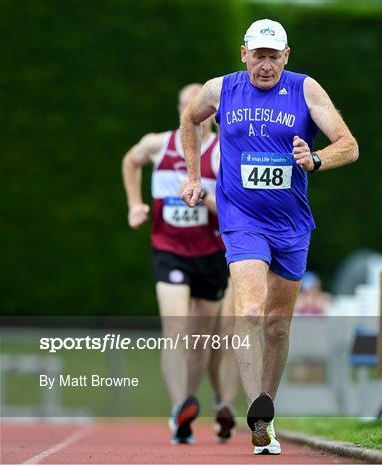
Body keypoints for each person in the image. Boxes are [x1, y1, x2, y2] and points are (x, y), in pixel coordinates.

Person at [180, 19, 358, 455]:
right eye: (258, 55)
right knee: (252, 310)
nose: (265, 65)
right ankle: (256, 418)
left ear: (286, 56)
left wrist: (314, 159)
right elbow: (190, 120)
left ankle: (267, 409)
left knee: (278, 325)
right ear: (244, 54)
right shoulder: (221, 89)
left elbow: (349, 145)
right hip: (241, 219)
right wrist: (193, 176)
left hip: (292, 224)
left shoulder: (304, 89)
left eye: (272, 56)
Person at [121, 83, 239, 444]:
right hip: (168, 249)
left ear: (212, 113)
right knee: (175, 329)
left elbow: (236, 210)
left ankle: (199, 403)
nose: (192, 113)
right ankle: (180, 407)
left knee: (201, 340)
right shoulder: (160, 145)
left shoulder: (223, 154)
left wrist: (203, 198)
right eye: (185, 106)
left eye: (198, 107)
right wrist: (135, 204)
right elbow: (130, 160)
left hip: (210, 254)